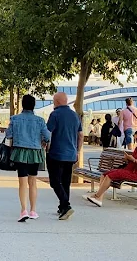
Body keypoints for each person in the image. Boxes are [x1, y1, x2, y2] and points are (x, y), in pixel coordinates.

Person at [5, 95, 51, 222]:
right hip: (35, 153)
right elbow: (47, 135)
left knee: (22, 182)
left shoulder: (15, 119)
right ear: (34, 105)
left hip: (20, 152)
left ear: (22, 105)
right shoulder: (40, 120)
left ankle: (23, 209)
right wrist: (43, 141)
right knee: (33, 182)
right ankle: (33, 210)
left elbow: (9, 135)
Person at [85, 129, 137, 207]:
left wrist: (134, 160)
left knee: (109, 176)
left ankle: (97, 196)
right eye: (135, 139)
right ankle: (99, 198)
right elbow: (132, 160)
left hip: (135, 174)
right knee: (104, 174)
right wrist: (127, 158)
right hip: (128, 170)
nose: (136, 141)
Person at [46, 92, 83, 220]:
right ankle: (62, 207)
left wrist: (45, 146)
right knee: (65, 182)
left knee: (55, 181)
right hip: (71, 154)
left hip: (56, 153)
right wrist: (77, 151)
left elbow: (48, 133)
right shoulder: (75, 115)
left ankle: (66, 206)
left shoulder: (55, 114)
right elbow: (81, 135)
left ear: (56, 102)